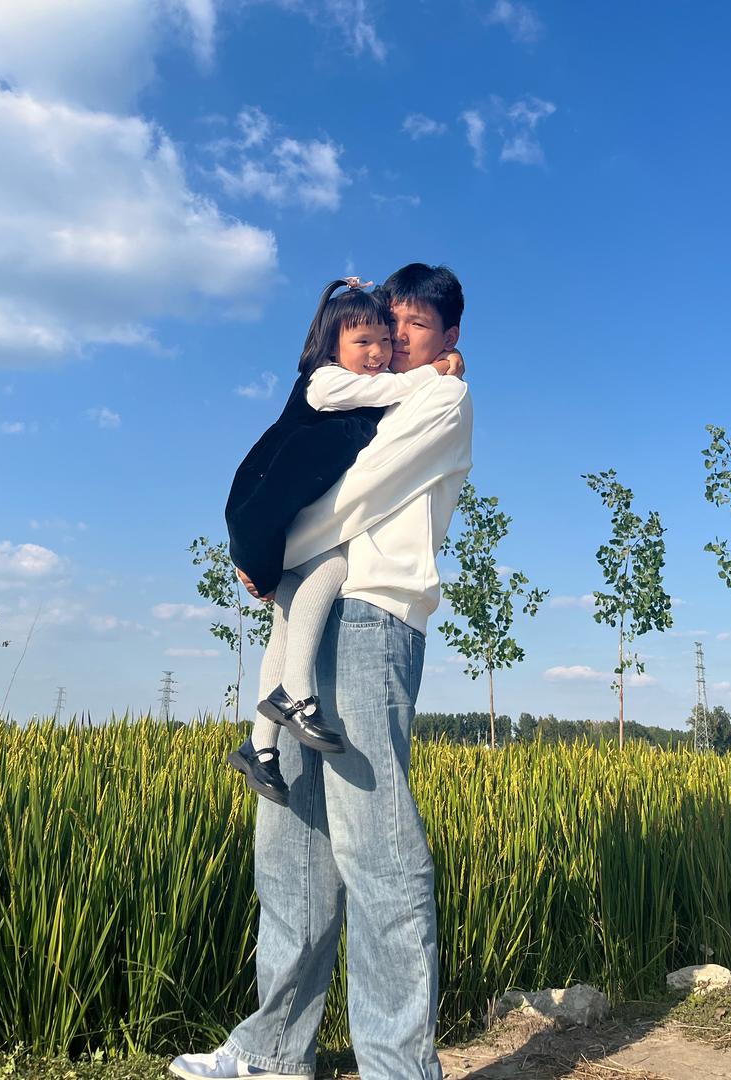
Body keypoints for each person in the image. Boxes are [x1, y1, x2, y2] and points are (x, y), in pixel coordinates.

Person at [170, 263, 471, 1080]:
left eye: (415, 327)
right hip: (308, 608)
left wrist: (263, 552)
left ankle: (398, 1066)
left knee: (376, 843)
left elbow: (353, 499)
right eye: (388, 324)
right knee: (290, 842)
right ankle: (272, 1050)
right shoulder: (372, 396)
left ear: (449, 337)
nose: (396, 339)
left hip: (373, 613)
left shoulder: (443, 399)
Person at [223, 277, 458, 803]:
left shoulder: (366, 383)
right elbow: (387, 391)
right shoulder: (327, 382)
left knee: (289, 617)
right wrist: (438, 369)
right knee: (329, 569)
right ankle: (293, 695)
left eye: (386, 338)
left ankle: (260, 746)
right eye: (366, 340)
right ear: (332, 345)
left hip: (290, 516)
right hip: (268, 502)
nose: (381, 350)